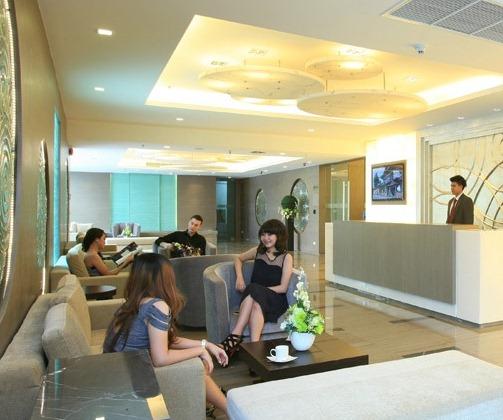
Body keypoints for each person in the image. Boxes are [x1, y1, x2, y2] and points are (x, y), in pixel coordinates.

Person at [103, 253, 228, 414]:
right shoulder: (157, 306)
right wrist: (200, 351)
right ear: (163, 278)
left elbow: (169, 340)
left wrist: (206, 345)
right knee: (196, 367)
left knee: (195, 364)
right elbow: (161, 358)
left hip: (116, 372)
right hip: (133, 380)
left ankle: (227, 408)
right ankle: (232, 411)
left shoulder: (133, 303)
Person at [220, 219, 293, 358]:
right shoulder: (258, 251)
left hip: (275, 299)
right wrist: (239, 277)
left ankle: (235, 336)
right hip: (254, 298)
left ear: (279, 236)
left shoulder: (286, 257)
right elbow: (238, 259)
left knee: (254, 289)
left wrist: (260, 290)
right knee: (256, 303)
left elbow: (283, 288)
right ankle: (255, 350)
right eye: (263, 234)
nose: (265, 238)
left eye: (270, 234)